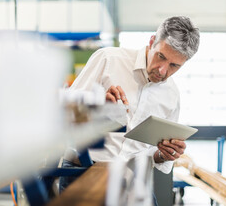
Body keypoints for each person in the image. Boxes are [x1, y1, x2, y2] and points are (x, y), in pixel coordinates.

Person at [61, 16, 200, 198]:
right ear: (152, 42)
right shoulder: (108, 60)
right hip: (84, 169)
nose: (162, 70)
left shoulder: (171, 95)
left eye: (174, 65)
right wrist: (97, 106)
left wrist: (163, 154)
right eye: (161, 56)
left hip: (131, 181)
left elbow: (152, 154)